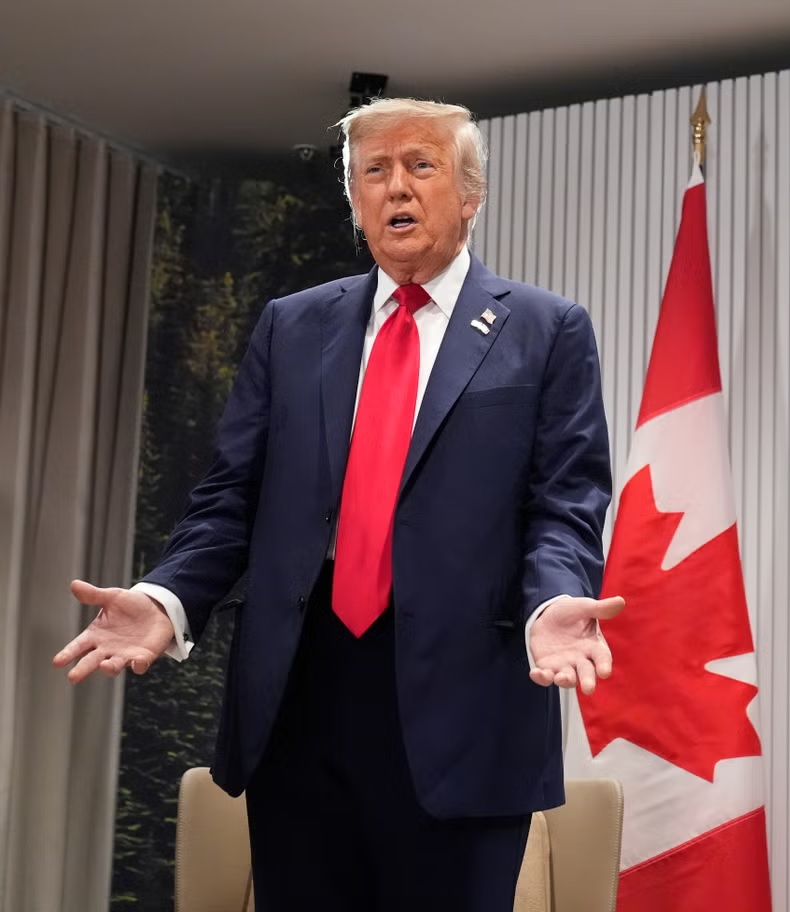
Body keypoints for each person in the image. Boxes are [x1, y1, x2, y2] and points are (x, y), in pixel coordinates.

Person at [53, 97, 625, 911]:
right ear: (356, 201)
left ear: (472, 193)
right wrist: (170, 594)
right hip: (299, 698)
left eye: (421, 166)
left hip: (465, 707)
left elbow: (566, 501)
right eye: (374, 172)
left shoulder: (546, 328)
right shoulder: (291, 326)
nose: (397, 187)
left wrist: (553, 601)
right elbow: (231, 496)